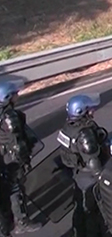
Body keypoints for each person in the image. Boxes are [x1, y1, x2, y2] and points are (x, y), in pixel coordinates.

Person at [57, 94, 109, 237]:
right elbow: (92, 160)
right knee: (93, 210)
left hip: (77, 173)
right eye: (90, 109)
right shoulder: (84, 134)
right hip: (89, 175)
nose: (93, 110)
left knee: (80, 207)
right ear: (82, 112)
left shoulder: (68, 126)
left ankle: (78, 232)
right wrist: (102, 178)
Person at [0, 81, 42, 234]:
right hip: (12, 158)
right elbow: (17, 142)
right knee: (16, 189)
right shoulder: (10, 116)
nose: (18, 95)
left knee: (8, 187)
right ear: (8, 97)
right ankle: (21, 221)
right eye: (15, 93)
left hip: (2, 156)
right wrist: (24, 160)